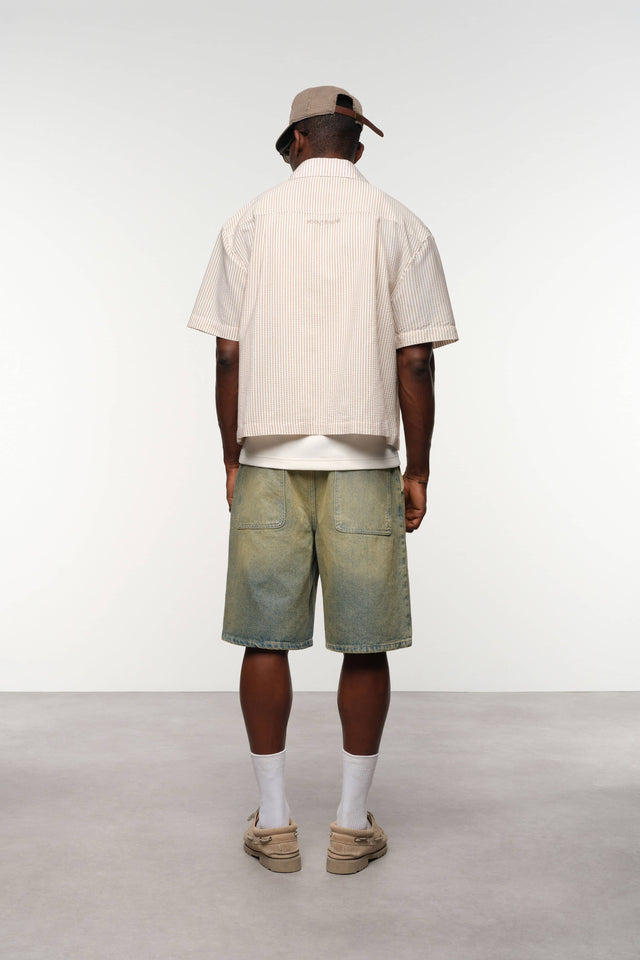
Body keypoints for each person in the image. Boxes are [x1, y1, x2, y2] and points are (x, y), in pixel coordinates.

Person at [187, 86, 459, 875]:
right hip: (366, 462)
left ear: (296, 143)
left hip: (269, 459)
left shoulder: (247, 223)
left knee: (264, 638)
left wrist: (231, 455)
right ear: (358, 147)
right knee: (364, 642)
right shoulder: (402, 224)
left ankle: (274, 824)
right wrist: (420, 467)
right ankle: (350, 825)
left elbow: (228, 354)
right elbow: (416, 360)